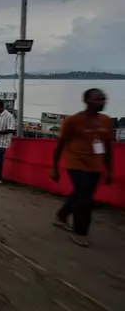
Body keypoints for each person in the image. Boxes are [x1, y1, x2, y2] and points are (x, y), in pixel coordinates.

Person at [51, 88, 113, 247]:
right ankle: (80, 232)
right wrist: (54, 168)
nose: (102, 102)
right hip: (75, 163)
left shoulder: (106, 121)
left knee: (81, 194)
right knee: (85, 198)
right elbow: (60, 145)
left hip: (95, 165)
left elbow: (107, 147)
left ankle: (62, 215)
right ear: (86, 100)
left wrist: (110, 170)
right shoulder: (72, 121)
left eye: (103, 99)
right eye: (97, 99)